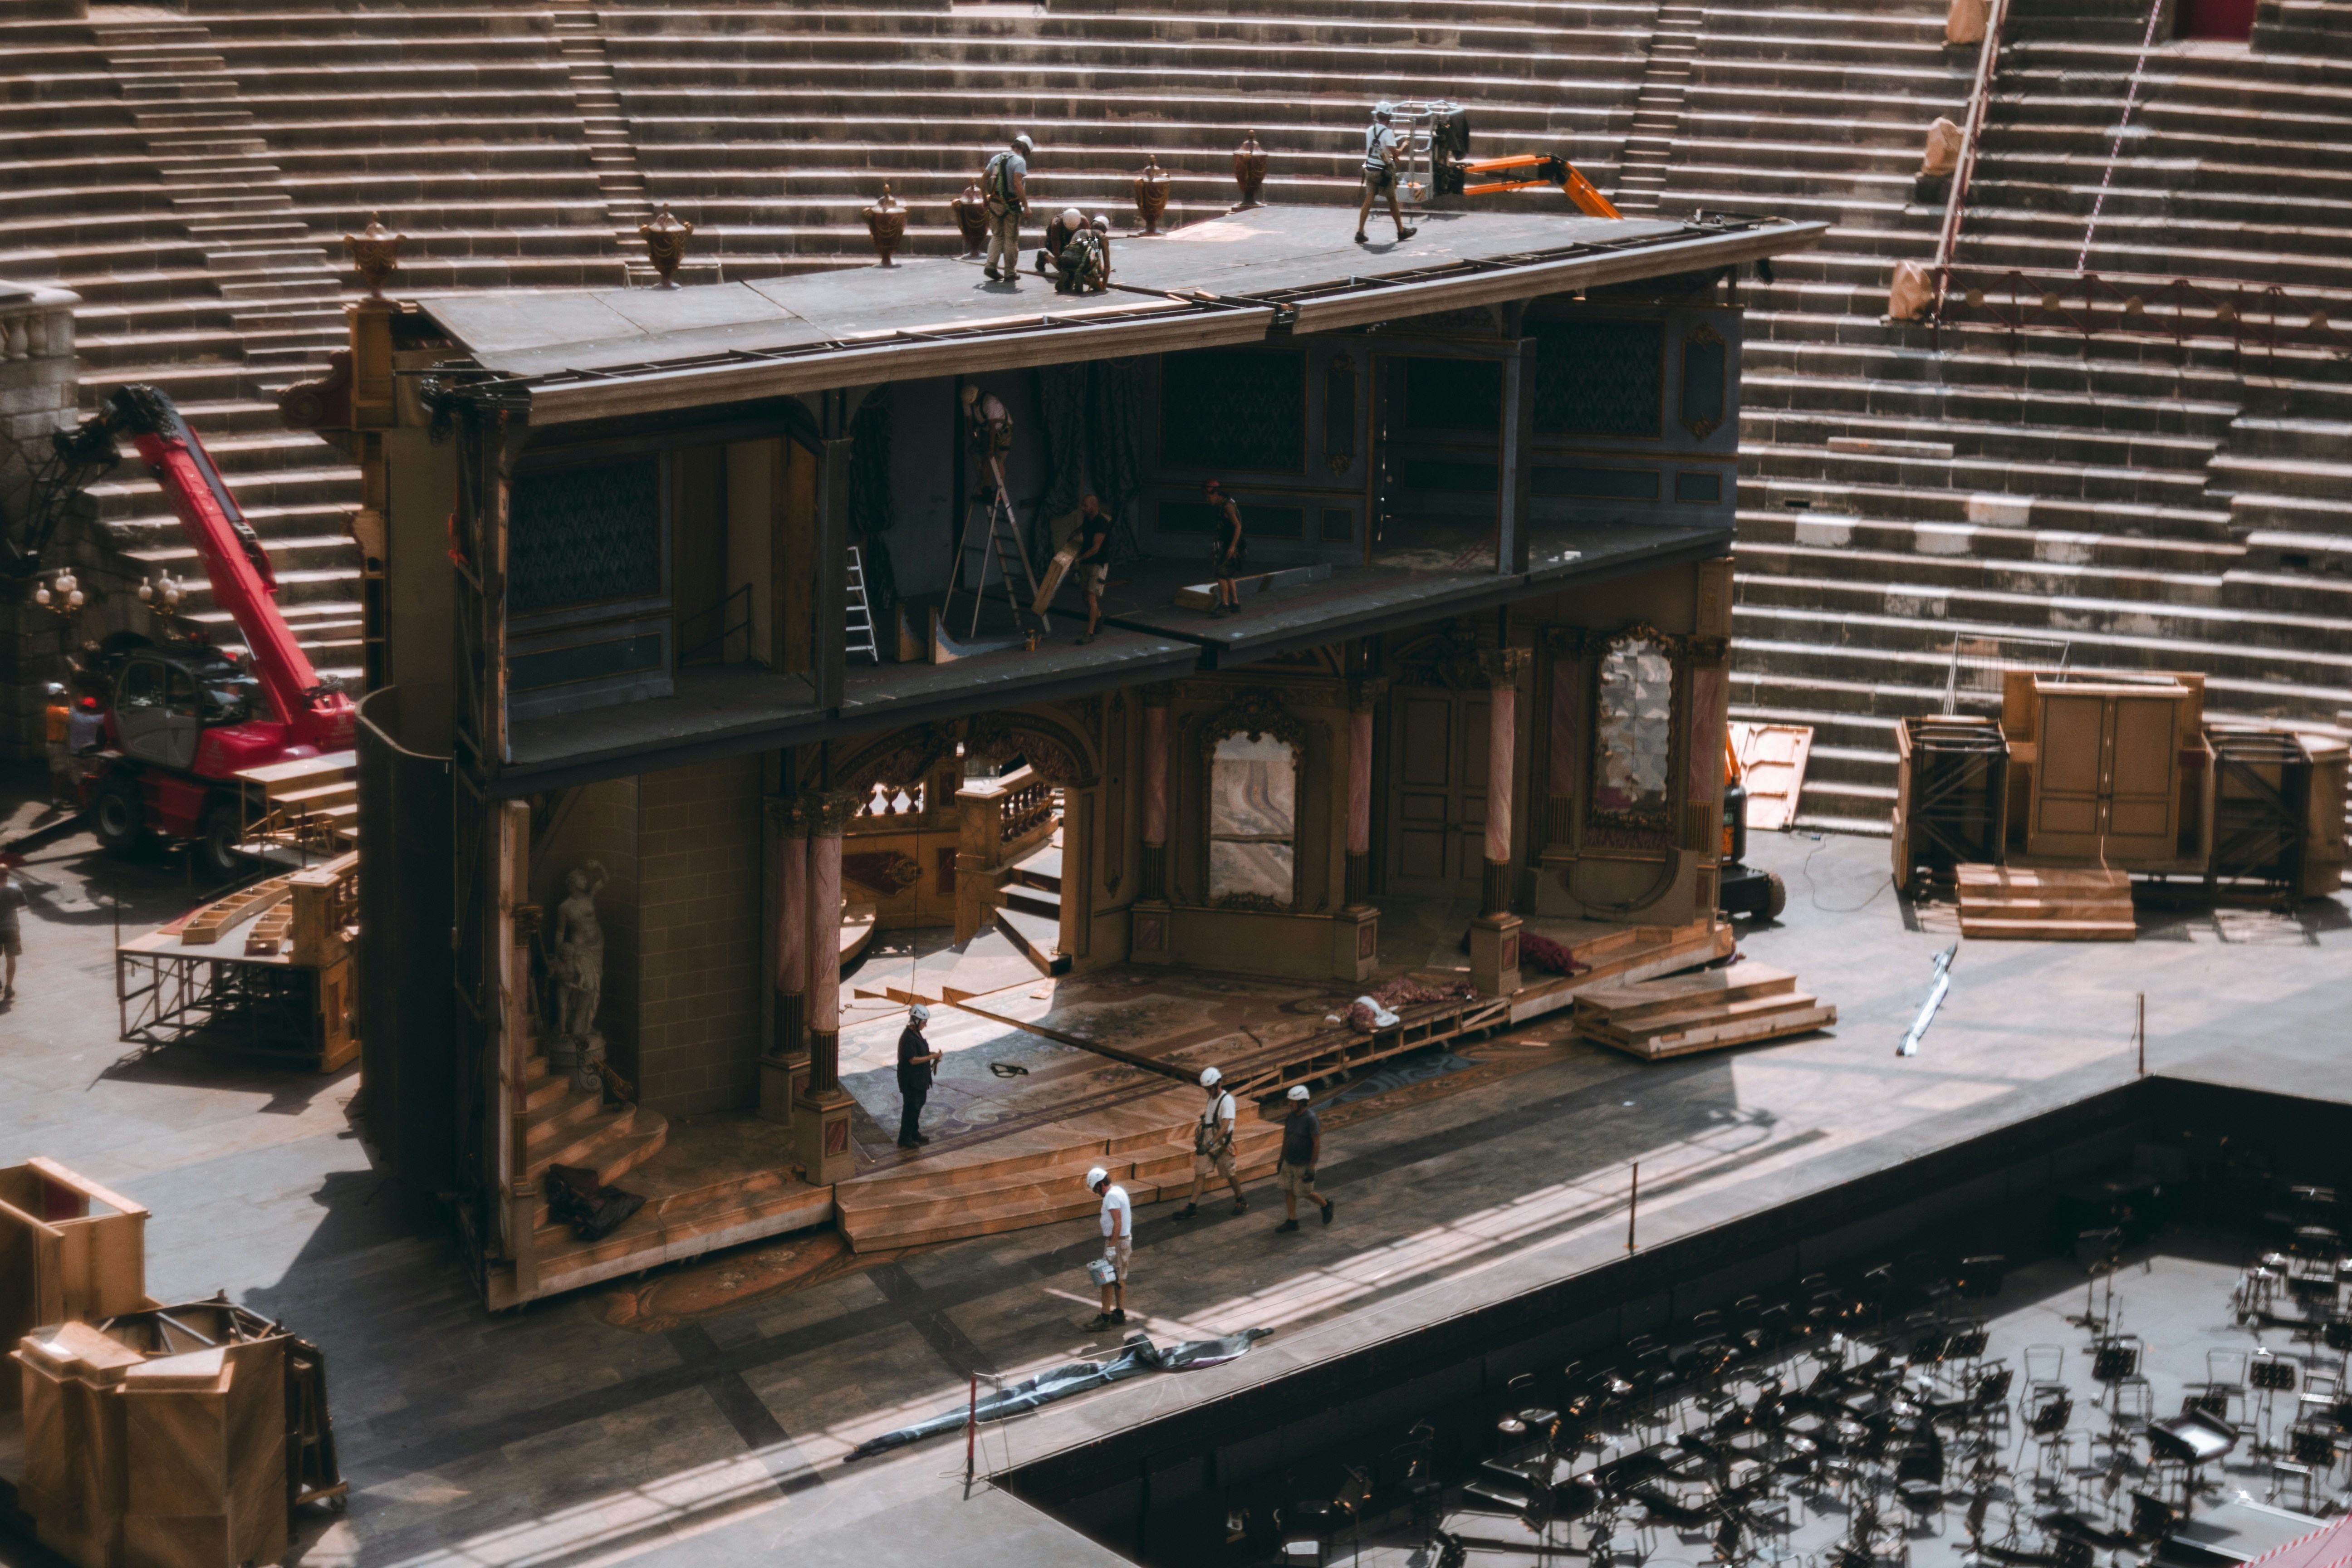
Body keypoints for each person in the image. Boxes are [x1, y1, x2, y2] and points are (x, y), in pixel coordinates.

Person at [1172, 1066, 1247, 1220]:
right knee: (1200, 1173)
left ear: (1218, 1084)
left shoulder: (1227, 1101)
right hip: (1207, 1143)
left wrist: (1209, 1144)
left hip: (1222, 1145)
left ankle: (1241, 1200)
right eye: (1206, 1089)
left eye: (1210, 1088)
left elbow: (1225, 1127)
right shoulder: (1211, 1098)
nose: (1208, 1092)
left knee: (1230, 1174)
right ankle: (1192, 1208)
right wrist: (1203, 1141)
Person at [1354, 102, 1418, 246]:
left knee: (1368, 201)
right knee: (1393, 201)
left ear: (1377, 116)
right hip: (1383, 173)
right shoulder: (1388, 133)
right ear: (1389, 118)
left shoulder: (1369, 131)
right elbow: (1396, 154)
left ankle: (1360, 232)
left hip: (1370, 170)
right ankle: (1401, 231)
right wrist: (1404, 145)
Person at [1274, 1084, 1334, 1233]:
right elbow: (1286, 1139)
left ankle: (1326, 1205)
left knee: (1304, 1192)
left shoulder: (1311, 1119)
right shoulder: (1290, 1117)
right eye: (1289, 1101)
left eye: (1292, 1102)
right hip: (1289, 1161)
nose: (1289, 1104)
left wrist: (1312, 1166)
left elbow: (1317, 1144)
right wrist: (1281, 1160)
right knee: (1288, 1190)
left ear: (1301, 1103)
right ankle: (1292, 1221)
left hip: (1303, 1164)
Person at [1085, 1163, 1132, 1329]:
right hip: (1122, 1241)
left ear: (1100, 1185)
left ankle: (1104, 1319)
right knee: (1119, 1279)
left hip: (1116, 1242)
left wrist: (1111, 1247)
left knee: (1106, 1280)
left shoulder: (1111, 1196)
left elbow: (1118, 1223)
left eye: (1096, 1190)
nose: (1097, 1193)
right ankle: (1119, 1314)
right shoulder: (1119, 1191)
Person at [982, 132, 1034, 282]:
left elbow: (983, 178)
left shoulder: (997, 158)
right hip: (1011, 205)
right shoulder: (1020, 162)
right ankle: (1010, 272)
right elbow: (1018, 184)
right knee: (1011, 239)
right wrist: (1026, 206)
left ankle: (990, 266)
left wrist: (985, 199)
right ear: (1025, 150)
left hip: (995, 203)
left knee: (997, 236)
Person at [896, 1003, 941, 1149]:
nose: (925, 1025)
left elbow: (921, 1053)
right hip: (911, 1081)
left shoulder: (917, 1034)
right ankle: (905, 1138)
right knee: (911, 1108)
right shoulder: (908, 1038)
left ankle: (914, 1133)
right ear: (916, 1021)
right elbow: (913, 1060)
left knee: (918, 1105)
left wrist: (934, 1055)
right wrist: (931, 1057)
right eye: (924, 1022)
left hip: (920, 1079)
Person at [1074, 493, 1113, 645]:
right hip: (1087, 564)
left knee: (1091, 598)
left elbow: (1096, 548)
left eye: (1085, 505)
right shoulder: (1088, 519)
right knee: (1085, 597)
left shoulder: (1101, 523)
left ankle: (1090, 633)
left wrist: (1079, 559)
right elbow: (1084, 527)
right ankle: (1099, 616)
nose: (1082, 508)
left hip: (1098, 564)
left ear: (1094, 505)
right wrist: (1075, 532)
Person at [1203, 479, 1245, 618]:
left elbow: (1238, 526)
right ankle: (1235, 604)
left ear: (1216, 494)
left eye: (1209, 497)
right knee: (1228, 575)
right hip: (1229, 545)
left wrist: (1233, 546)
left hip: (1233, 546)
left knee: (1221, 574)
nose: (1207, 500)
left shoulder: (1227, 507)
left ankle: (1225, 605)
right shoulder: (1222, 506)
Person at [43, 684, 72, 808]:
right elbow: (71, 716)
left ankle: (58, 799)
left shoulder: (52, 708)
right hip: (57, 746)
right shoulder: (55, 711)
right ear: (57, 696)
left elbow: (66, 710)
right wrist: (71, 701)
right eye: (62, 695)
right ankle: (56, 801)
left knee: (62, 773)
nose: (64, 697)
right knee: (59, 774)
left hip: (58, 746)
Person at [1035, 206, 1084, 277]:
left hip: (1073, 243)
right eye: (1069, 229)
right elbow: (1056, 252)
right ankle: (1044, 255)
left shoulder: (1084, 222)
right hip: (1058, 244)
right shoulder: (1056, 224)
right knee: (1068, 271)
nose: (1071, 231)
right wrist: (1066, 266)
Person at [0, 864, 24, 1001]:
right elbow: (22, 903)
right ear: (8, 875)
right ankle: (9, 987)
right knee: (11, 959)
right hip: (12, 929)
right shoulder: (15, 888)